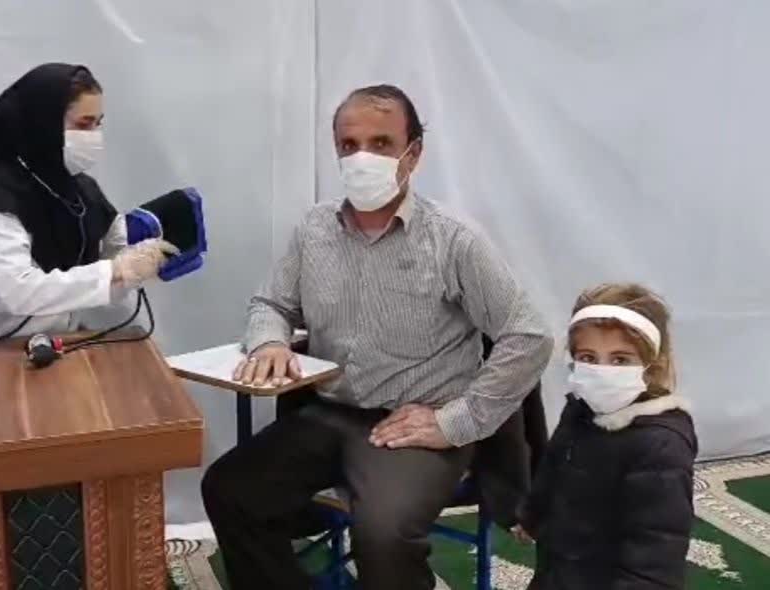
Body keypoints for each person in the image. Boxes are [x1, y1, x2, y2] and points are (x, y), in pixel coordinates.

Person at [201, 84, 554, 590]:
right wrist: (270, 342)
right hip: (331, 413)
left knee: (384, 535)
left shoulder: (453, 239)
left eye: (382, 143)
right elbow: (271, 303)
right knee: (229, 488)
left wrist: (455, 422)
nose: (362, 157)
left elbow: (529, 336)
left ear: (414, 153)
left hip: (415, 426)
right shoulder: (315, 230)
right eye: (349, 145)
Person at [0, 63, 176, 342]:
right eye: (83, 125)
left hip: (56, 345)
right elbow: (19, 292)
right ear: (44, 124)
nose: (94, 136)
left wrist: (142, 260)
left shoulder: (84, 192)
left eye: (98, 124)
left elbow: (112, 264)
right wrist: (115, 271)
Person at [514, 283, 697, 589]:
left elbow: (656, 554)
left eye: (620, 360)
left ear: (653, 365)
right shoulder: (580, 410)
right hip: (561, 568)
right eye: (588, 357)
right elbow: (554, 467)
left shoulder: (661, 445)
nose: (601, 371)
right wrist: (533, 516)